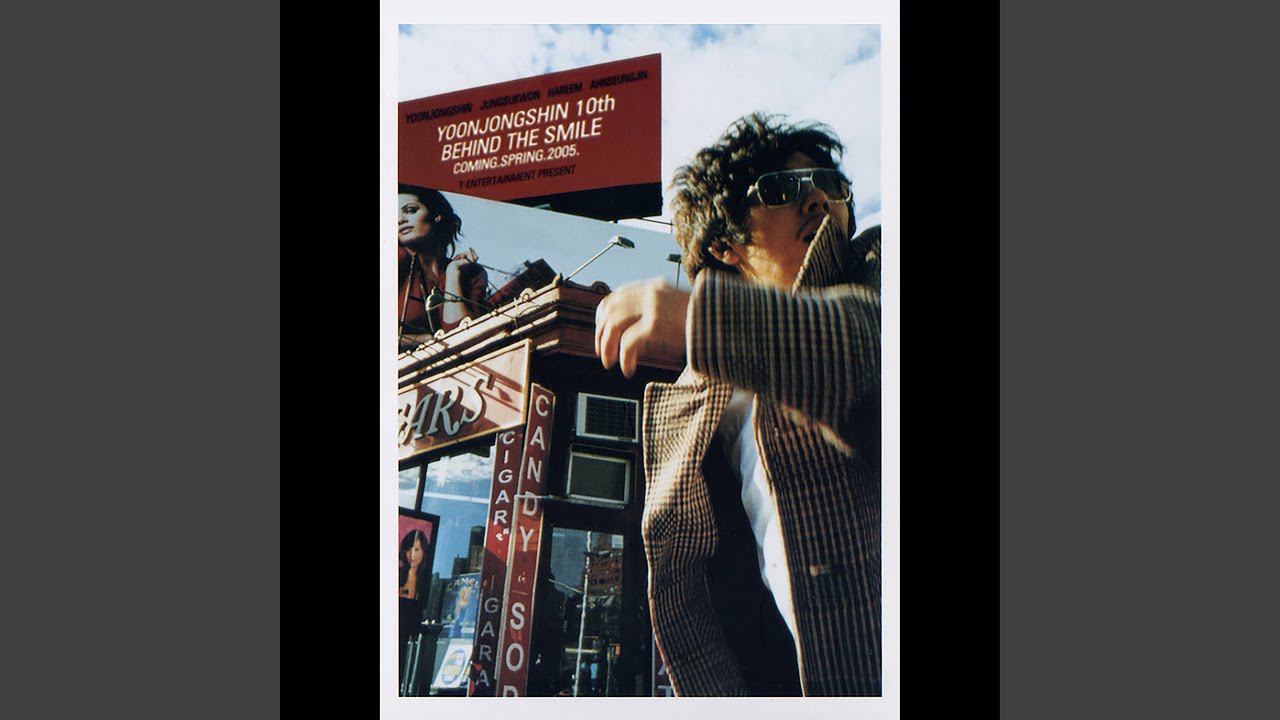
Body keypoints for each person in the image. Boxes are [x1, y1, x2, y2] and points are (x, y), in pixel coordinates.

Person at [594, 113, 881, 696]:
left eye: (831, 185)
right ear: (724, 245)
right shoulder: (694, 402)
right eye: (782, 189)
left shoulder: (879, 271)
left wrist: (705, 321)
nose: (818, 199)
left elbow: (869, 362)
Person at [397, 184, 489, 345]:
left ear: (436, 214)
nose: (400, 220)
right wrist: (423, 340)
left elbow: (461, 335)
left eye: (410, 210)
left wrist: (453, 273)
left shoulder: (471, 274)